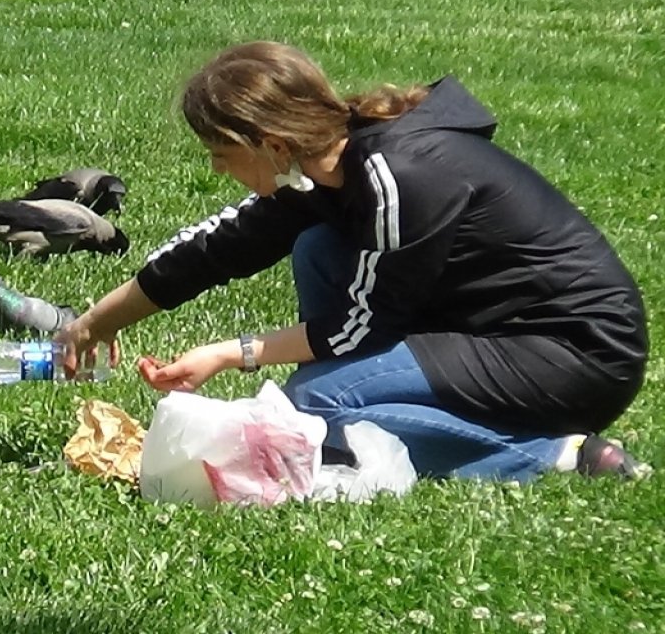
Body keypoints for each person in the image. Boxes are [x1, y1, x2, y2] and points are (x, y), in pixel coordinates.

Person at [58, 41, 651, 482]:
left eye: (221, 152)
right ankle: (369, 408)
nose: (216, 168)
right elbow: (215, 248)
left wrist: (227, 353)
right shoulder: (323, 167)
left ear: (272, 144)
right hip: (484, 332)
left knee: (309, 410)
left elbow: (359, 327)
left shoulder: (400, 175)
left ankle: (554, 456)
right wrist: (96, 323)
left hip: (571, 355)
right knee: (320, 248)